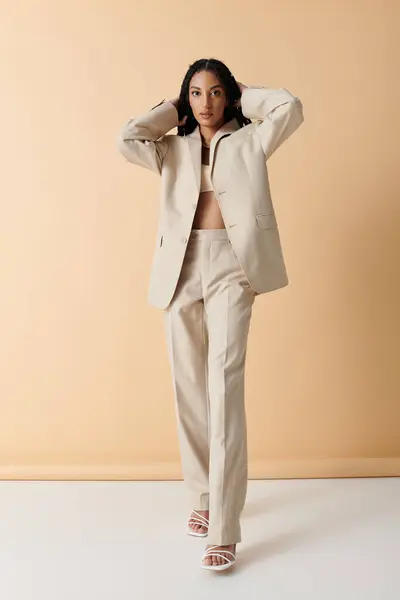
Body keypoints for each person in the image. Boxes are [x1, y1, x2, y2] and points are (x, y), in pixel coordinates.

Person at [117, 57, 304, 571]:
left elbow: (291, 108)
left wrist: (249, 92)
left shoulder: (250, 140)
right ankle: (201, 494)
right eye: (196, 94)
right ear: (185, 98)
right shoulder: (169, 146)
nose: (206, 103)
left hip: (232, 265)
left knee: (224, 385)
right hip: (179, 268)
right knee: (189, 389)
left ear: (230, 97)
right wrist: (171, 108)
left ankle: (223, 527)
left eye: (217, 92)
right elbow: (126, 138)